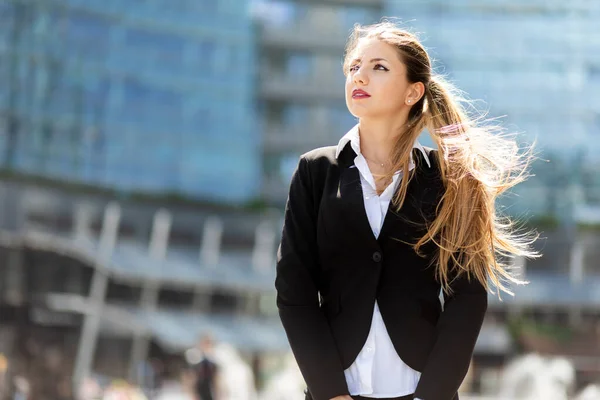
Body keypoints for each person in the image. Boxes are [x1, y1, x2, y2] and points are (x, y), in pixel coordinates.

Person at [274, 21, 538, 400]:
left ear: (413, 91)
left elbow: (467, 297)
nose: (359, 75)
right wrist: (331, 393)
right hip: (333, 392)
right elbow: (294, 292)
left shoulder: (450, 180)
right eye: (353, 66)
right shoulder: (314, 171)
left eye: (378, 67)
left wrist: (431, 395)